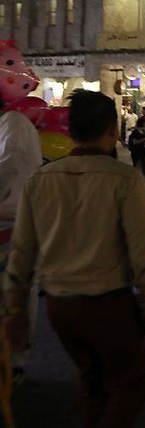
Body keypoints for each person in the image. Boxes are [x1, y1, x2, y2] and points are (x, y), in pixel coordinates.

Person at [3, 90, 145, 427]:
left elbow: (22, 251)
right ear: (113, 131)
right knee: (130, 385)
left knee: (93, 381)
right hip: (107, 303)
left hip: (60, 307)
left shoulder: (39, 180)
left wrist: (15, 310)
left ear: (70, 131)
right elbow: (142, 250)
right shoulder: (124, 179)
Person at [0, 93, 43, 386]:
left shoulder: (12, 124)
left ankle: (14, 364)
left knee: (15, 295)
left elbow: (8, 165)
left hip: (14, 225)